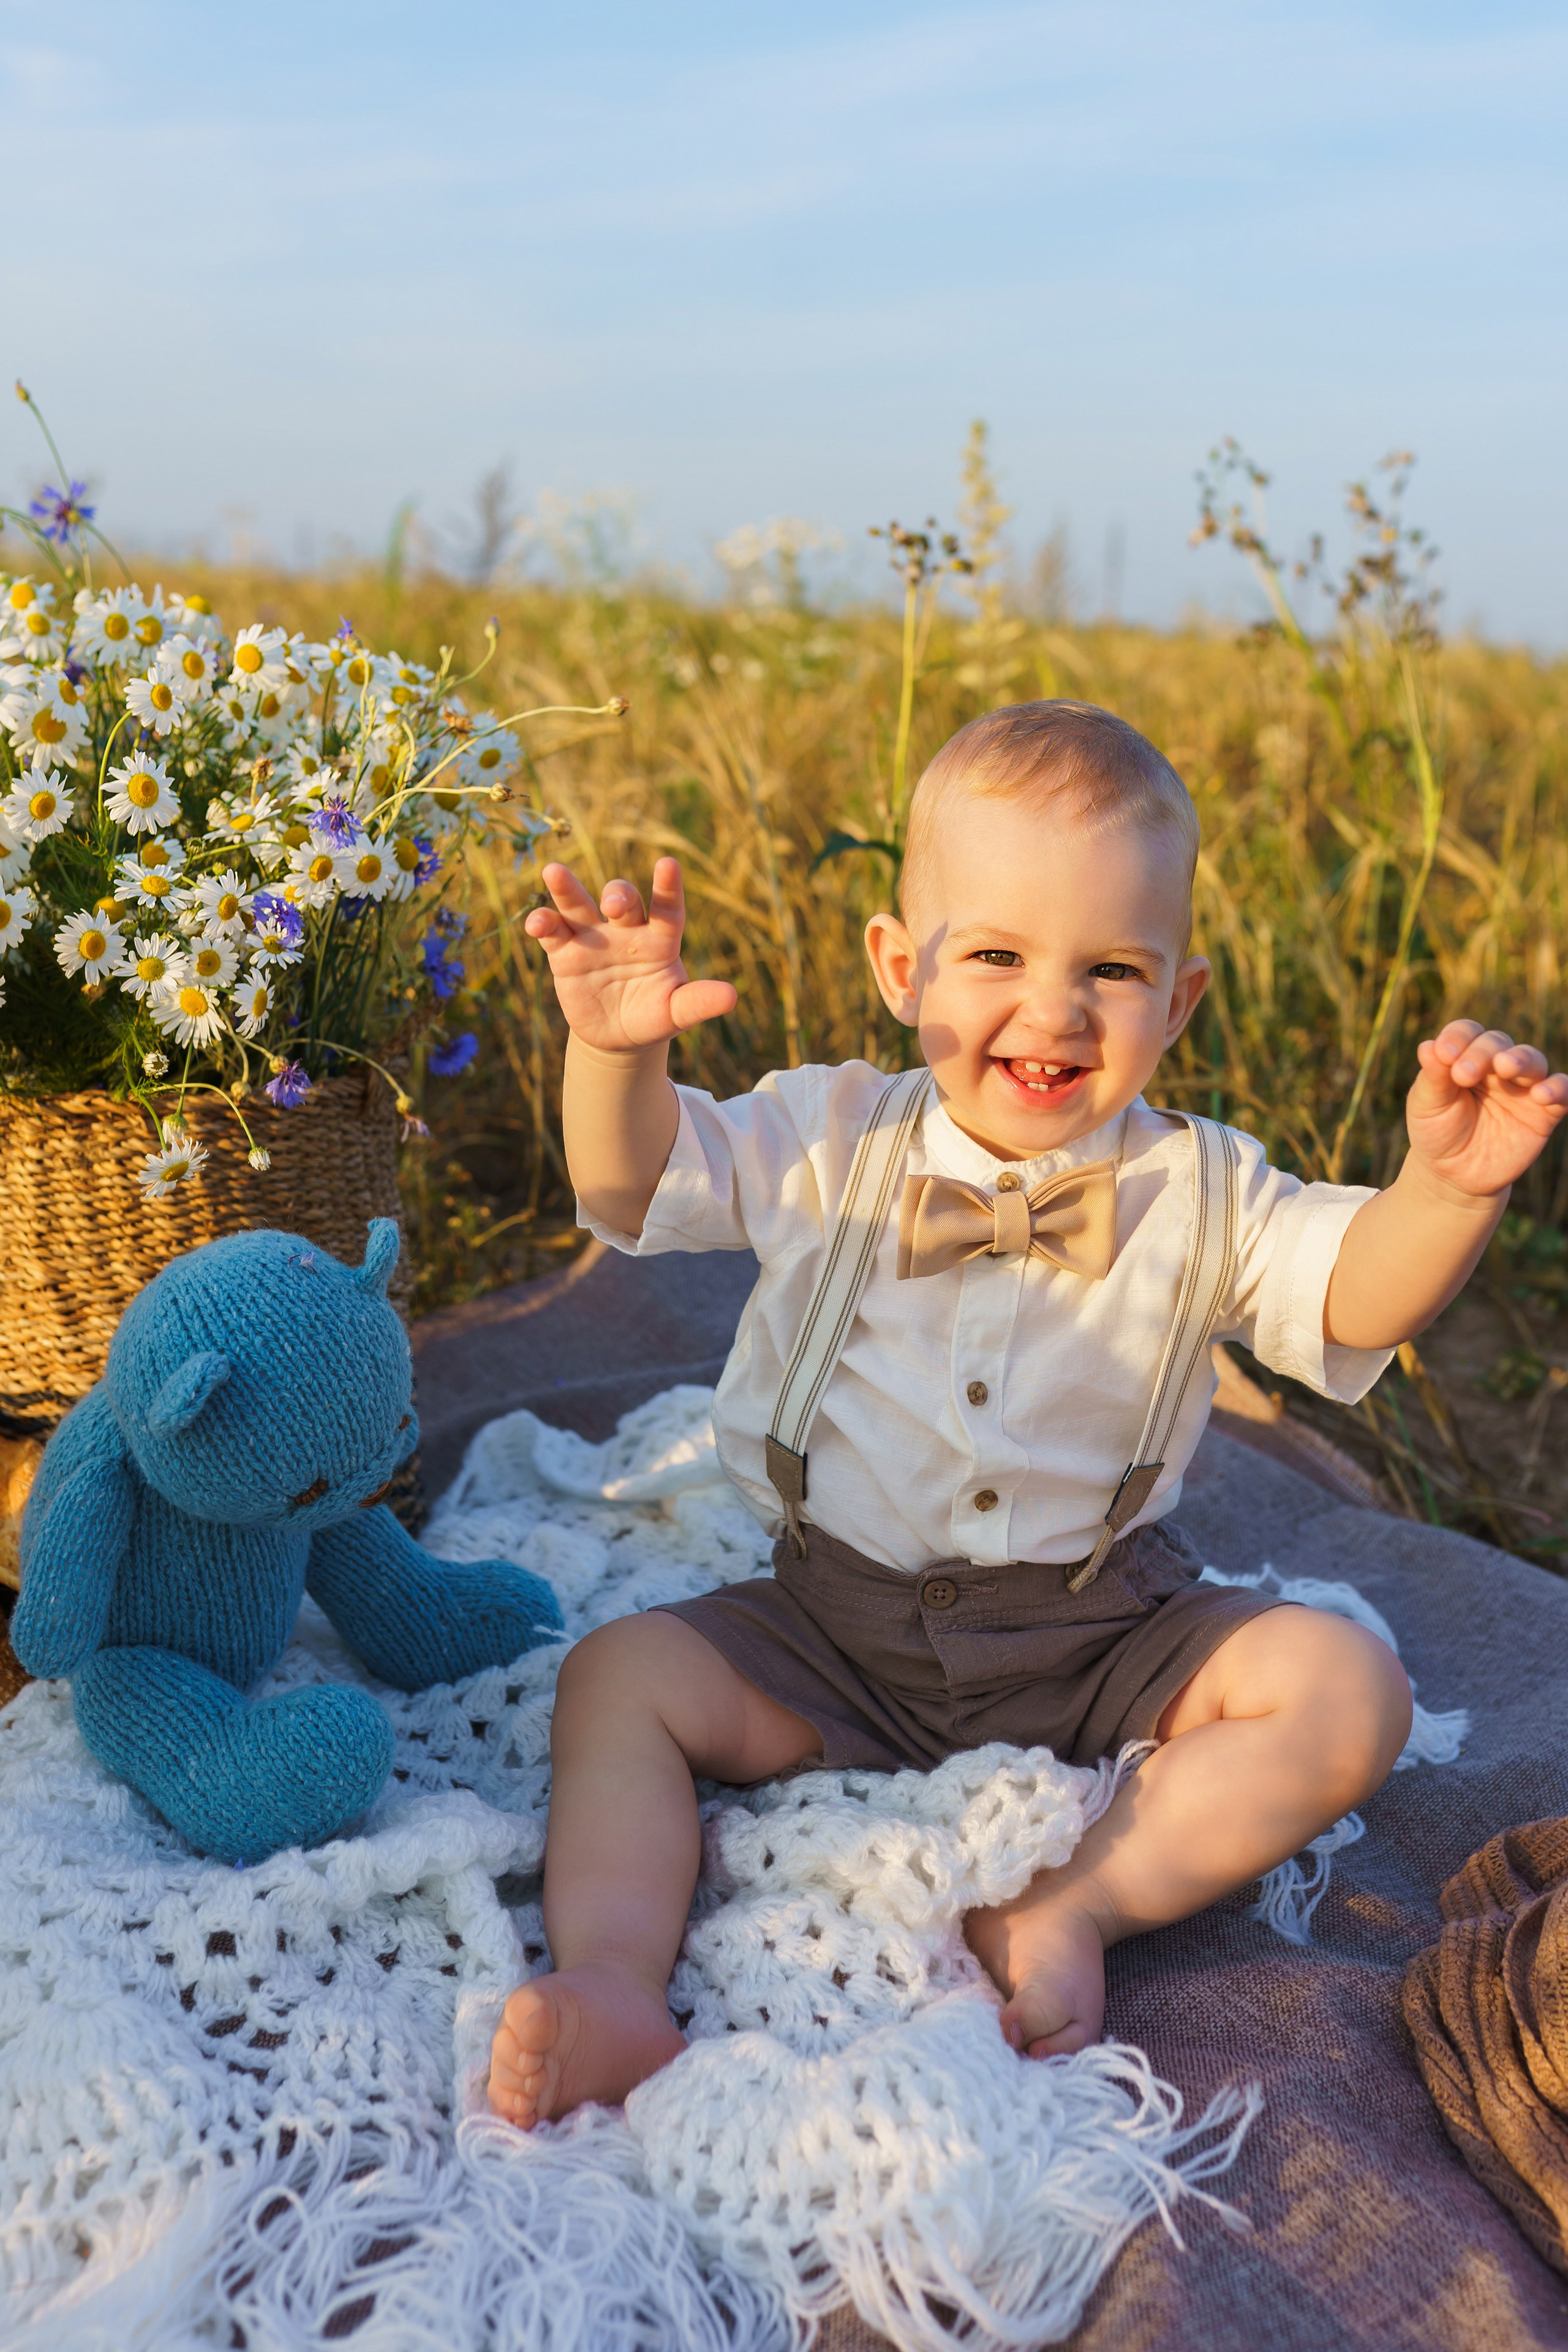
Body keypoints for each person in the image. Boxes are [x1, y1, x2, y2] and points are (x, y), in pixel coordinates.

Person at [488, 699, 1568, 2130]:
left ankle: (1074, 1902)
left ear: (1176, 1002)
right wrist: (615, 1058)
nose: (1052, 1010)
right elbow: (631, 1190)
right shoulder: (825, 1135)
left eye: (1109, 968)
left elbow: (1356, 1298)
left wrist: (1444, 1192)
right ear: (898, 964)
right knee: (617, 1677)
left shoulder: (1206, 1187)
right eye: (995, 954)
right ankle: (616, 1976)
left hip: (1100, 1635)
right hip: (831, 1632)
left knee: (1343, 1688)